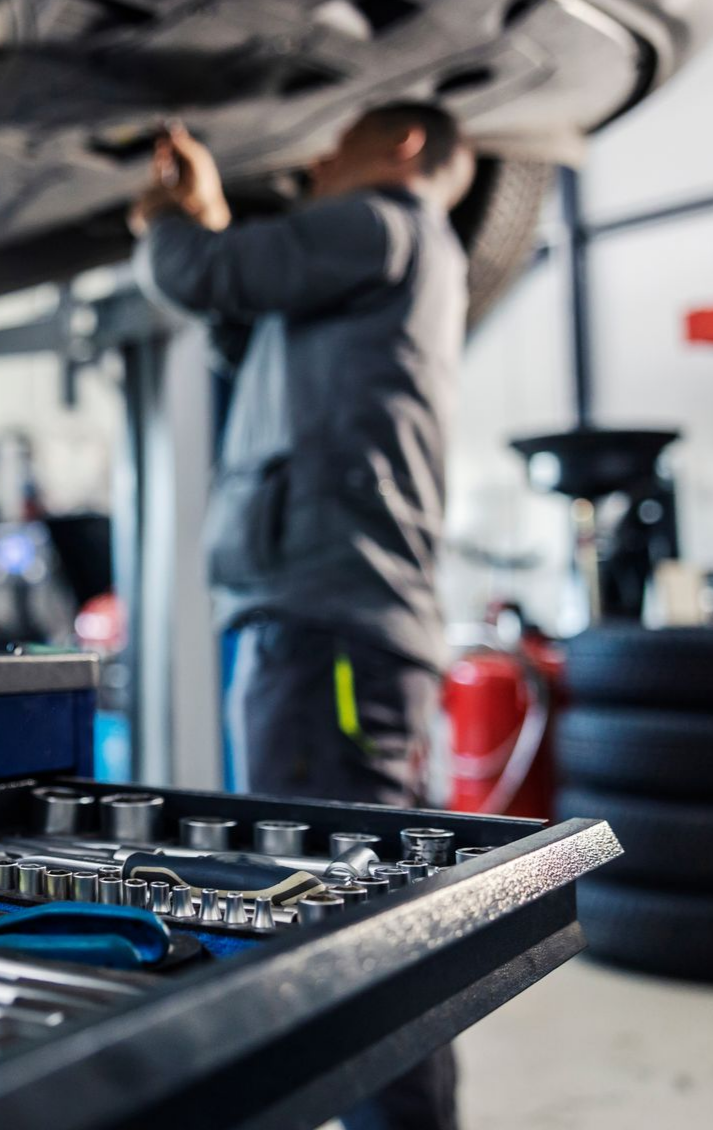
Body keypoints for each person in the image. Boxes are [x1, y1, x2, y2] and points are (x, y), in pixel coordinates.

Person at [130, 104, 476, 1130]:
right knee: (343, 912)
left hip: (333, 628)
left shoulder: (383, 220)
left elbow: (206, 275)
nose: (319, 160)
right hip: (329, 622)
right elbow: (243, 307)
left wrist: (171, 224)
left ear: (405, 146)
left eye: (341, 141)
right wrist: (211, 225)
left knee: (342, 924)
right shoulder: (386, 256)